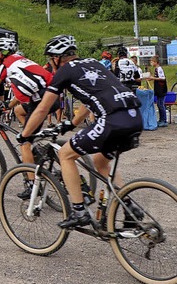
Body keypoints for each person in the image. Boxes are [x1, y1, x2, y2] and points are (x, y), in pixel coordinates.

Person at [17, 35, 143, 228]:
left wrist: (25, 134)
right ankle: (129, 207)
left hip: (111, 120)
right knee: (101, 162)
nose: (51, 63)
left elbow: (43, 108)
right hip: (134, 117)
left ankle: (79, 211)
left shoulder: (65, 71)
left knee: (65, 154)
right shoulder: (95, 63)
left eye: (51, 59)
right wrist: (72, 123)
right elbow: (91, 98)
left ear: (56, 58)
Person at [0, 38, 53, 198]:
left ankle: (31, 185)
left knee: (24, 143)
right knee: (18, 111)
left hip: (41, 101)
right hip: (49, 96)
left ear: (1, 54)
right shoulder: (22, 61)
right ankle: (34, 142)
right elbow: (25, 89)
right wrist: (8, 105)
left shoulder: (6, 66)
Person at [146, 55, 168, 127]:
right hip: (158, 89)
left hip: (161, 89)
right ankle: (161, 119)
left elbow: (162, 78)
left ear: (155, 62)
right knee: (158, 104)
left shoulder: (159, 69)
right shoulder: (156, 69)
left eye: (152, 62)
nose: (151, 63)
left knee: (161, 105)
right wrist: (152, 78)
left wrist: (153, 78)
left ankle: (164, 120)